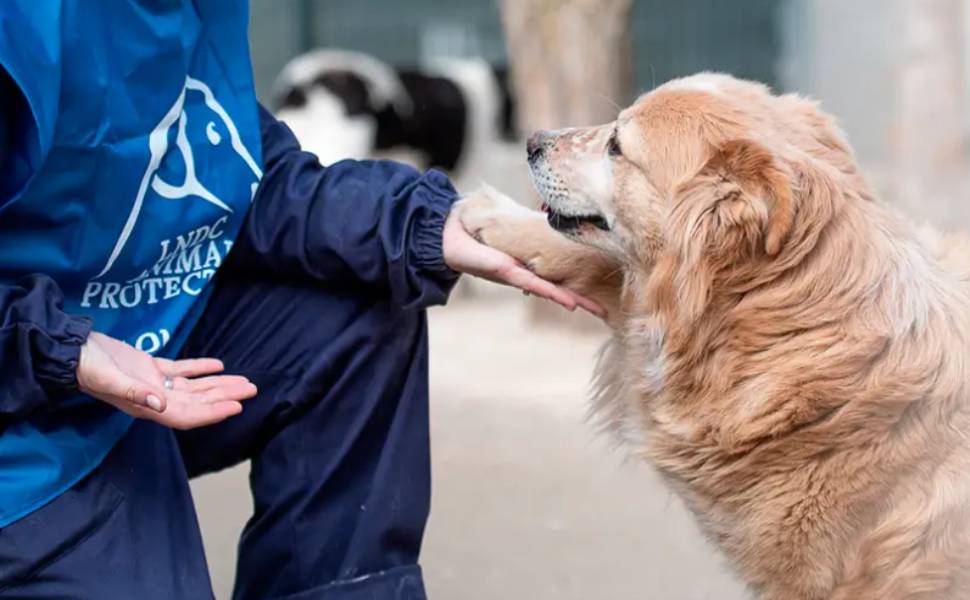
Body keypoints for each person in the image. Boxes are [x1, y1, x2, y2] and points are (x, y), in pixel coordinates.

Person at [0, 2, 599, 598]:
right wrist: (60, 349)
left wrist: (422, 224)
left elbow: (244, 179)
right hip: (24, 397)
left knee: (363, 302)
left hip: (133, 345)